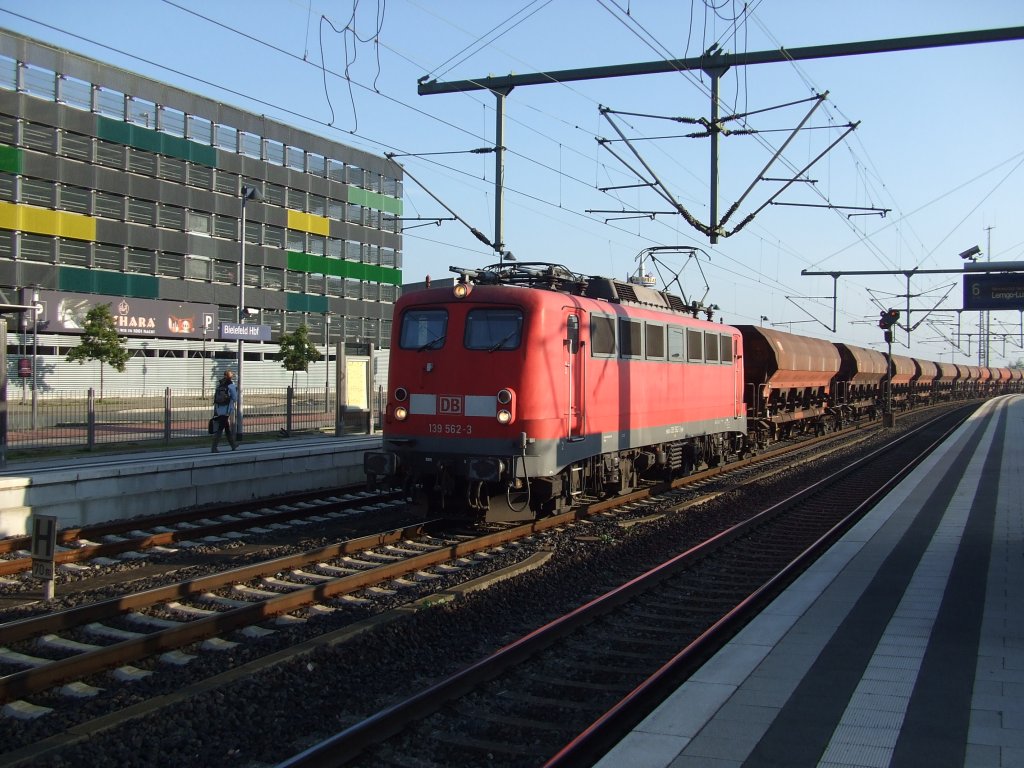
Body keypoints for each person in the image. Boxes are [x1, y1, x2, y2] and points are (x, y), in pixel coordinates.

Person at [211, 369, 238, 452]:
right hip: (226, 410)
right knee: (221, 428)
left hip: (219, 409)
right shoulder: (231, 385)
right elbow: (235, 398)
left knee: (226, 428)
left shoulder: (220, 385)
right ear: (231, 376)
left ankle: (233, 445)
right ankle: (214, 447)